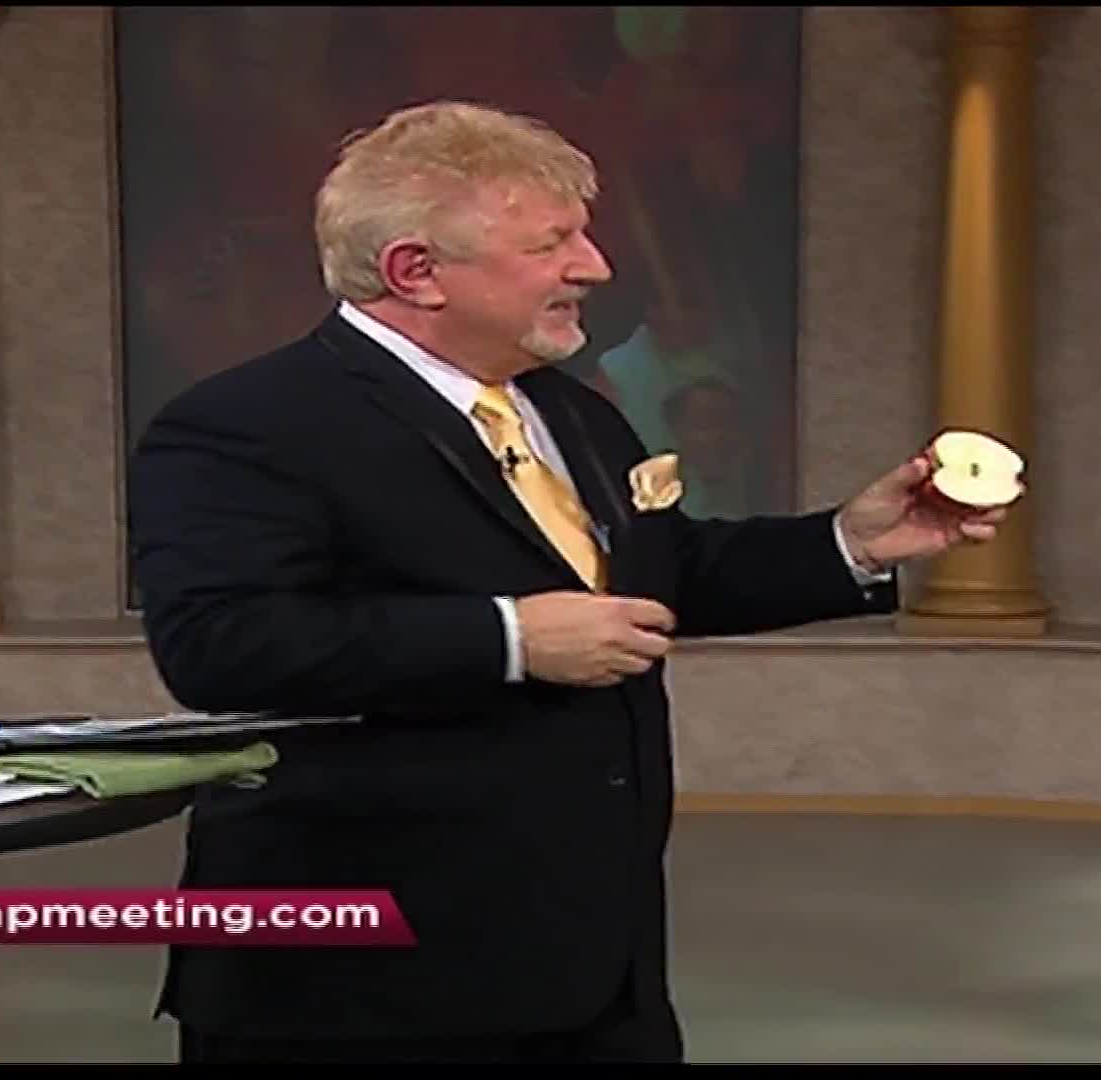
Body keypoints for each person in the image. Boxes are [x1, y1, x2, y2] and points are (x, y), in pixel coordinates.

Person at [126, 100, 1007, 1064]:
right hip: (363, 992)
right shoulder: (247, 424)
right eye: (555, 243)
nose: (595, 267)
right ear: (415, 272)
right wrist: (510, 640)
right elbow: (223, 646)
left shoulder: (571, 412)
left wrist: (854, 541)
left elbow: (659, 575)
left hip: (594, 973)